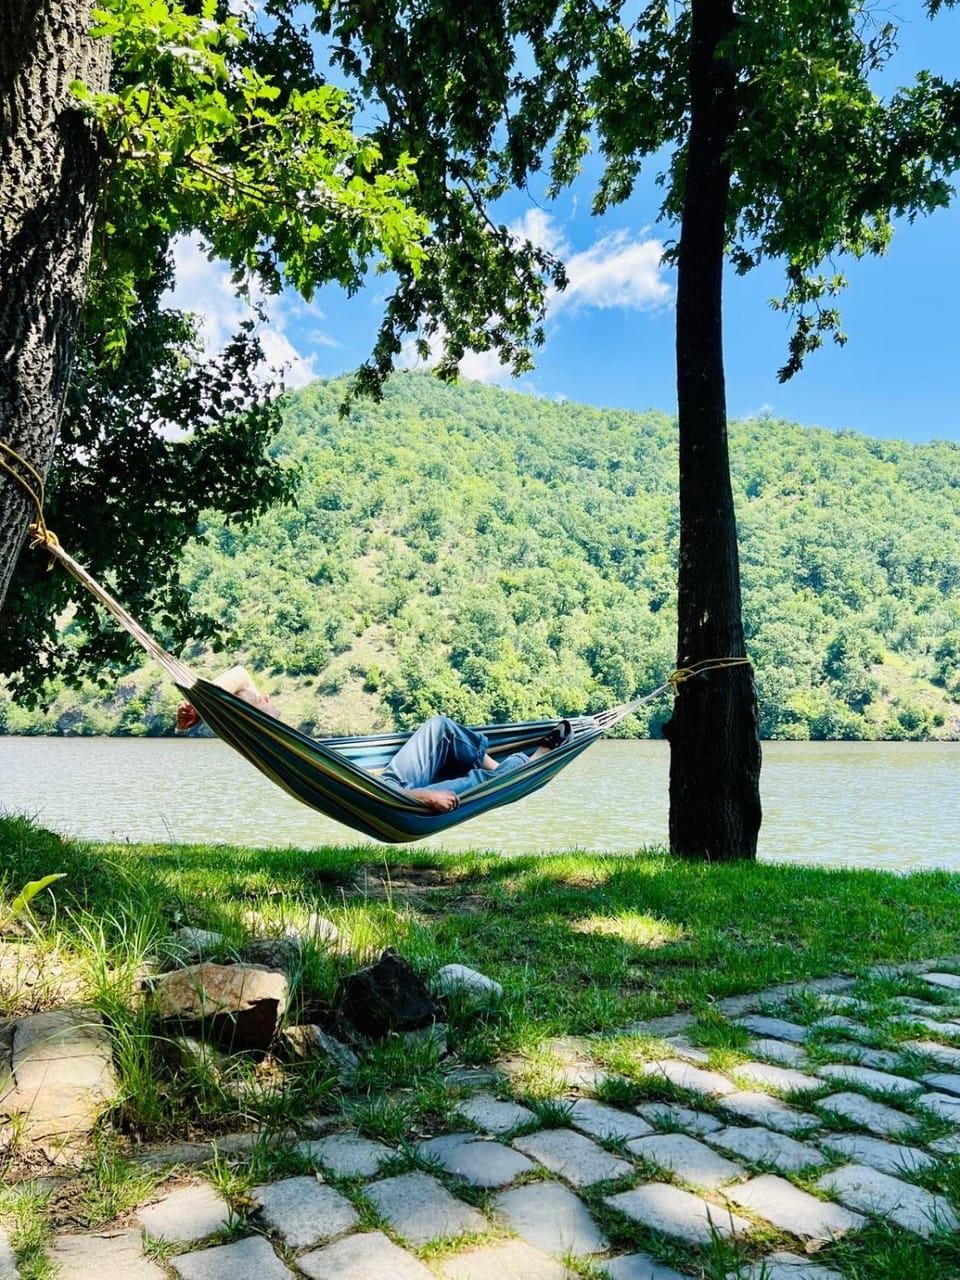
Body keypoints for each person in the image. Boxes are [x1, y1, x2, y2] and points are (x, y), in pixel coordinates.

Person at [177, 667, 571, 814]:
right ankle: (536, 755)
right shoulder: (287, 748)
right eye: (263, 702)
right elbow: (241, 689)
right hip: (381, 794)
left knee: (442, 727)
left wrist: (197, 705)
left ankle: (494, 765)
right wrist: (202, 707)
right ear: (257, 716)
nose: (269, 700)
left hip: (385, 784)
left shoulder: (293, 743)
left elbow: (241, 675)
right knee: (491, 785)